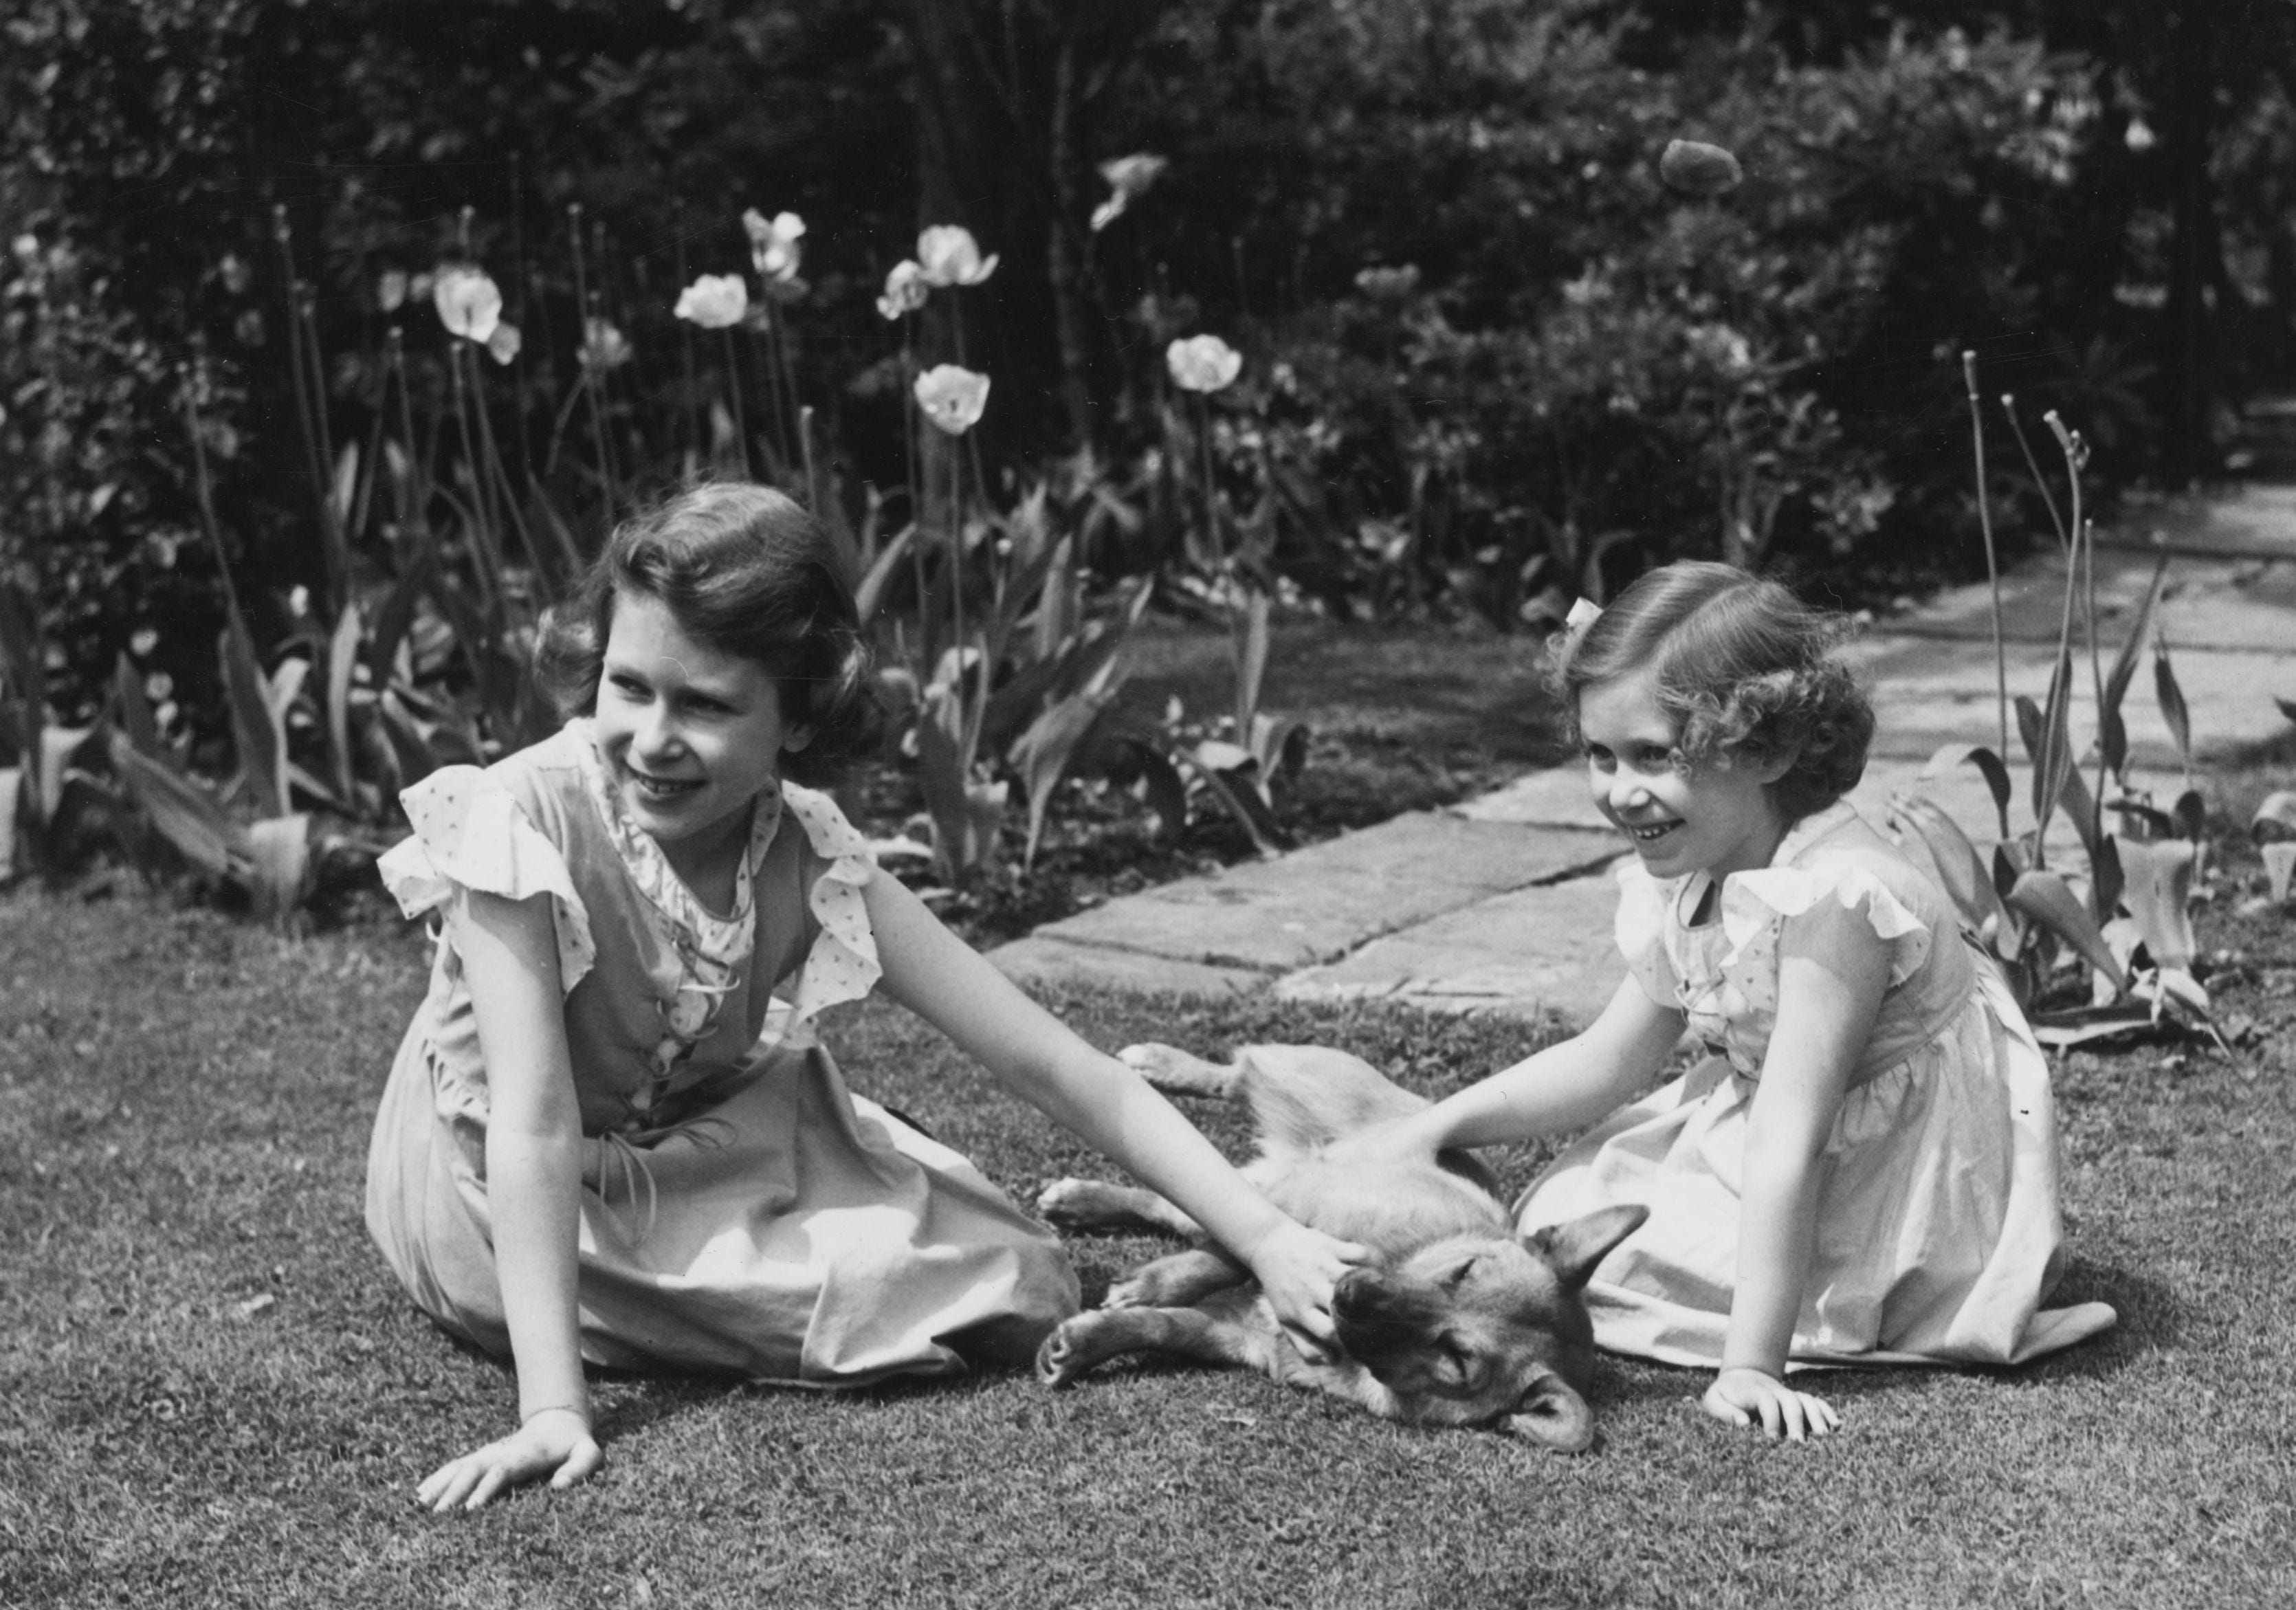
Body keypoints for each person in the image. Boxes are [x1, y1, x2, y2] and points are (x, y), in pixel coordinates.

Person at [367, 481, 1363, 1512]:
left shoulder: (806, 850)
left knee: (1019, 1274)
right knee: (894, 1292)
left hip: (687, 1132)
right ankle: (710, 1267)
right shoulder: (516, 820)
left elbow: (1053, 1063)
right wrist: (553, 1410)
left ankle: (789, 1213)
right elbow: (530, 1122)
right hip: (501, 1188)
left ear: (797, 719)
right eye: (629, 687)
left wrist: (1267, 1236)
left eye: (705, 704)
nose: (651, 738)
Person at [1345, 562, 2115, 1440]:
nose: (1619, 790)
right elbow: (1607, 1060)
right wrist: (1427, 1128)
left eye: (1654, 757)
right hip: (1777, 1125)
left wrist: (1750, 1366)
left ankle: (1859, 1302)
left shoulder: (1835, 901)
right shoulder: (1700, 863)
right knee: (1559, 1226)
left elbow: (1793, 1140)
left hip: (1890, 1173)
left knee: (1628, 1268)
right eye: (1601, 755)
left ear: (1771, 751)